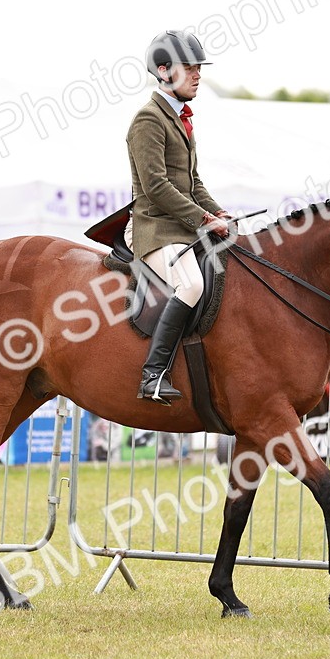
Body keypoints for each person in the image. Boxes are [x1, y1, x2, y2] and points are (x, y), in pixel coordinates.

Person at [125, 30, 231, 404]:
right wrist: (204, 220)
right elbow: (156, 187)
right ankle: (153, 375)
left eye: (199, 67)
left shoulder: (183, 119)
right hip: (154, 229)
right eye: (190, 68)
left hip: (182, 229)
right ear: (164, 70)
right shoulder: (148, 120)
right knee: (191, 286)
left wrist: (217, 211)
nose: (198, 74)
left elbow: (192, 182)